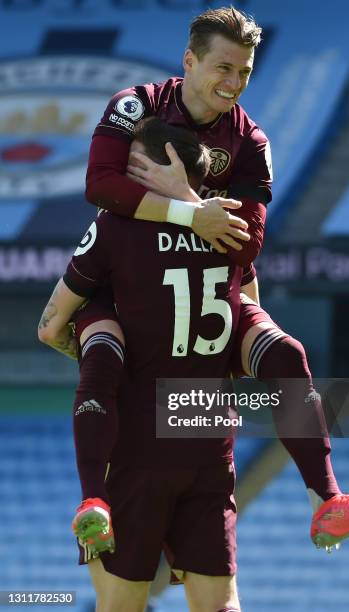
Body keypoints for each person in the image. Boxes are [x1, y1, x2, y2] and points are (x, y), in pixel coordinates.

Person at [45, 1, 349, 582]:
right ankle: (93, 499)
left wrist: (185, 202)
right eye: (223, 68)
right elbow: (99, 185)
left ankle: (327, 499)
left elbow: (246, 245)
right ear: (190, 61)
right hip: (131, 310)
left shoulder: (251, 141)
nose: (234, 84)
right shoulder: (136, 108)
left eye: (246, 73)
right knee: (104, 358)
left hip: (207, 317)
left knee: (287, 355)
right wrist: (190, 213)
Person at [39, 116, 250, 612]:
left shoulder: (116, 227)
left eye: (132, 160)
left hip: (134, 440)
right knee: (220, 604)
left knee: (119, 603)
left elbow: (49, 326)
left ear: (157, 171)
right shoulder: (231, 230)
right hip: (206, 431)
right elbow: (250, 322)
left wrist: (97, 343)